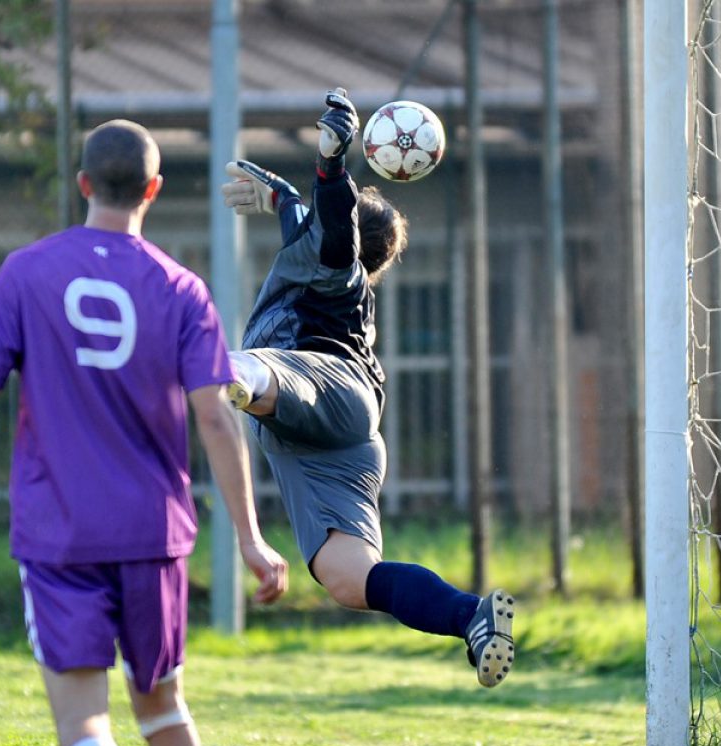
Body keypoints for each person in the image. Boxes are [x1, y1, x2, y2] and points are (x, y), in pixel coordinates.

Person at [0, 119, 288, 746]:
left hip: (60, 536)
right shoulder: (181, 289)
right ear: (152, 190)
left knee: (81, 716)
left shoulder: (26, 272)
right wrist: (248, 537)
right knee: (163, 709)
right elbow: (216, 419)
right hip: (154, 535)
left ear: (81, 185)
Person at [220, 89, 516, 687]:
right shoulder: (318, 257)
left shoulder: (333, 268)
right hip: (333, 442)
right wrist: (281, 194)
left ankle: (233, 379)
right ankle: (474, 617)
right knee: (350, 580)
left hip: (322, 384)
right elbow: (306, 216)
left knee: (240, 364)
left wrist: (332, 165)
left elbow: (332, 228)